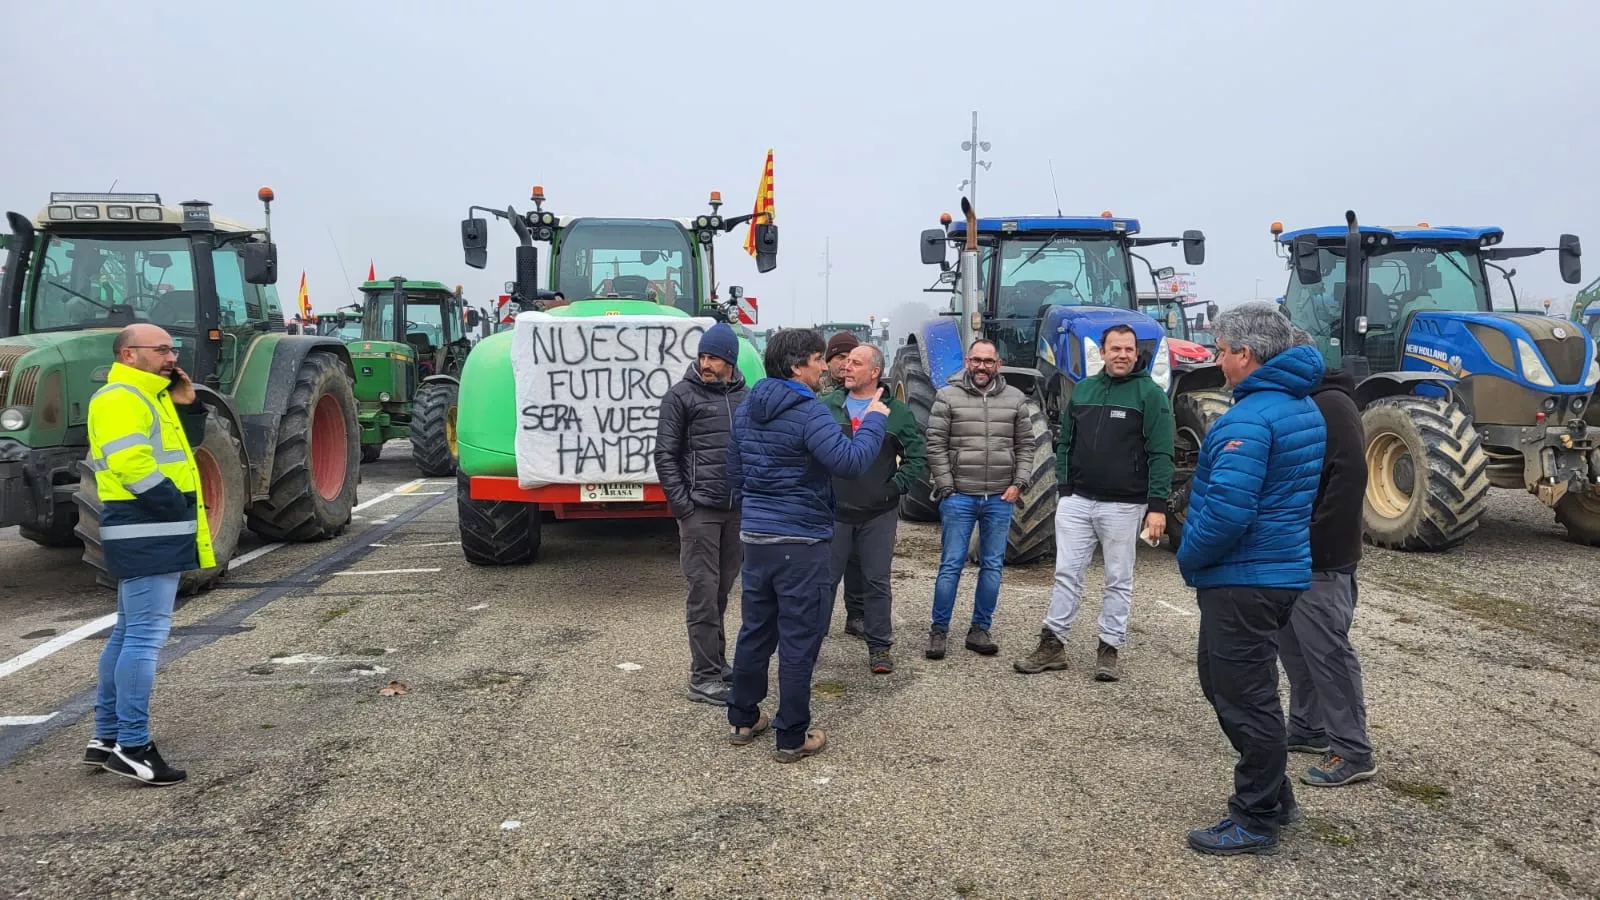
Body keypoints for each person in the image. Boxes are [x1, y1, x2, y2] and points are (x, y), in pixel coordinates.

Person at [1175, 301, 1327, 856]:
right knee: (1223, 682)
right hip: (1273, 572)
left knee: (1247, 699)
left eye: (1220, 350)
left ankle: (1256, 815)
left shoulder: (1250, 418)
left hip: (1243, 577)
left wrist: (1188, 557)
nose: (1217, 360)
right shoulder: (1299, 406)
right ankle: (1275, 793)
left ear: (1245, 354)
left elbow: (1226, 512)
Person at [724, 328, 889, 762]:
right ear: (797, 366)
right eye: (818, 359)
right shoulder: (809, 411)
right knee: (799, 640)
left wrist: (759, 513)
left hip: (757, 541)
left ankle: (743, 718)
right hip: (802, 543)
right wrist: (874, 418)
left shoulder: (746, 409)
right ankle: (791, 736)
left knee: (755, 631)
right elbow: (849, 462)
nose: (825, 367)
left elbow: (734, 474)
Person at [83, 323, 218, 787]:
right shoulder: (120, 397)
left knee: (126, 633)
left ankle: (106, 737)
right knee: (144, 637)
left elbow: (187, 446)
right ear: (129, 354)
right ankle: (133, 746)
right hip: (148, 528)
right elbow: (130, 463)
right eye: (161, 349)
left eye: (172, 348)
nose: (171, 356)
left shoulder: (152, 396)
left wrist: (187, 401)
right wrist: (171, 502)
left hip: (151, 527)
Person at [1014, 324, 1174, 682]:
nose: (1121, 355)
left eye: (1128, 349)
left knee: (1118, 578)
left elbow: (1162, 454)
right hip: (1078, 502)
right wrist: (1065, 487)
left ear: (1136, 353)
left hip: (1123, 506)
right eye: (1115, 349)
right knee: (1066, 573)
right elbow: (1065, 442)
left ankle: (1109, 649)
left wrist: (1157, 506)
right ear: (1102, 353)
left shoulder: (1150, 395)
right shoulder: (1084, 390)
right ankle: (1053, 644)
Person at [1278, 333, 1379, 787]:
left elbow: (1349, 478)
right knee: (1294, 647)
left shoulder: (1332, 404)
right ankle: (1308, 727)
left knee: (1328, 652)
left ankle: (1353, 751)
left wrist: (1317, 540)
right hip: (1293, 553)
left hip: (1321, 557)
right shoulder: (1304, 400)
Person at [654, 322, 748, 706]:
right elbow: (665, 455)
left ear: (730, 361)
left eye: (715, 357)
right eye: (703, 356)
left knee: (722, 591)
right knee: (703, 594)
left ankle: (718, 663)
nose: (706, 363)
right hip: (700, 513)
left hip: (737, 511)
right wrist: (683, 507)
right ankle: (703, 678)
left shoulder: (747, 397)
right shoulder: (680, 397)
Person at [924, 338, 1035, 660]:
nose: (982, 366)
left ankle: (979, 628)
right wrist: (947, 486)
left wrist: (1019, 483)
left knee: (992, 567)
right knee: (951, 564)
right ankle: (939, 631)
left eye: (988, 361)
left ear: (998, 365)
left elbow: (1026, 446)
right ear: (967, 362)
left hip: (1001, 497)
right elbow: (935, 444)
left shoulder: (1015, 399)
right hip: (959, 497)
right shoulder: (947, 396)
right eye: (976, 360)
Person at [820, 343, 927, 674]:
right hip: (834, 512)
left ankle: (880, 647)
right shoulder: (827, 406)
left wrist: (894, 488)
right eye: (846, 362)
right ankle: (808, 645)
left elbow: (917, 457)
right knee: (823, 583)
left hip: (878, 514)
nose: (847, 367)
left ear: (874, 372)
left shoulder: (897, 412)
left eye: (856, 363)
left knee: (877, 581)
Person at [819, 328, 865, 635]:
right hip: (828, 496)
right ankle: (817, 624)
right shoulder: (818, 399)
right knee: (827, 566)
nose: (844, 363)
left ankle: (857, 615)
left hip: (862, 494)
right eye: (838, 357)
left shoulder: (870, 397)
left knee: (859, 562)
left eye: (851, 357)